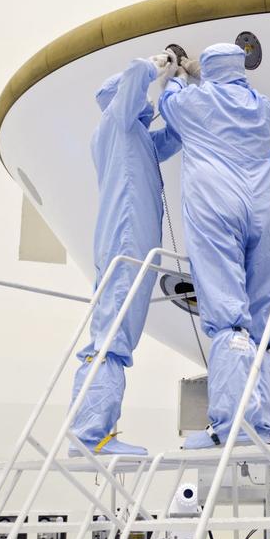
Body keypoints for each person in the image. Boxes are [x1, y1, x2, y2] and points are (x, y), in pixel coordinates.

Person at [158, 44, 270, 448]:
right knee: (260, 322)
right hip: (260, 215)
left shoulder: (194, 102)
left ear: (209, 70)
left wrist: (178, 70)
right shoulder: (263, 107)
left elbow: (169, 101)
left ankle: (230, 428)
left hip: (216, 209)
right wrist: (205, 74)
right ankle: (260, 425)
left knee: (228, 317)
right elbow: (229, 94)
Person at [68, 54, 182, 457]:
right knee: (112, 336)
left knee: (118, 334)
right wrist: (159, 64)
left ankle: (96, 433)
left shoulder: (136, 136)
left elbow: (175, 136)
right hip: (124, 239)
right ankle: (89, 435)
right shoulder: (115, 123)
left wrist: (177, 87)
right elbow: (134, 74)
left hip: (134, 244)